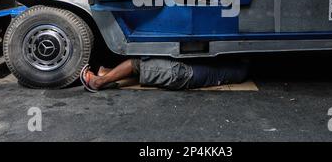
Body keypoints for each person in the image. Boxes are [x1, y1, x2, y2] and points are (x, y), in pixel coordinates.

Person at [80, 57, 249, 93]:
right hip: (184, 76)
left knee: (136, 64)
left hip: (181, 74)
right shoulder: (238, 72)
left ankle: (98, 82)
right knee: (144, 72)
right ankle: (109, 74)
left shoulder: (238, 67)